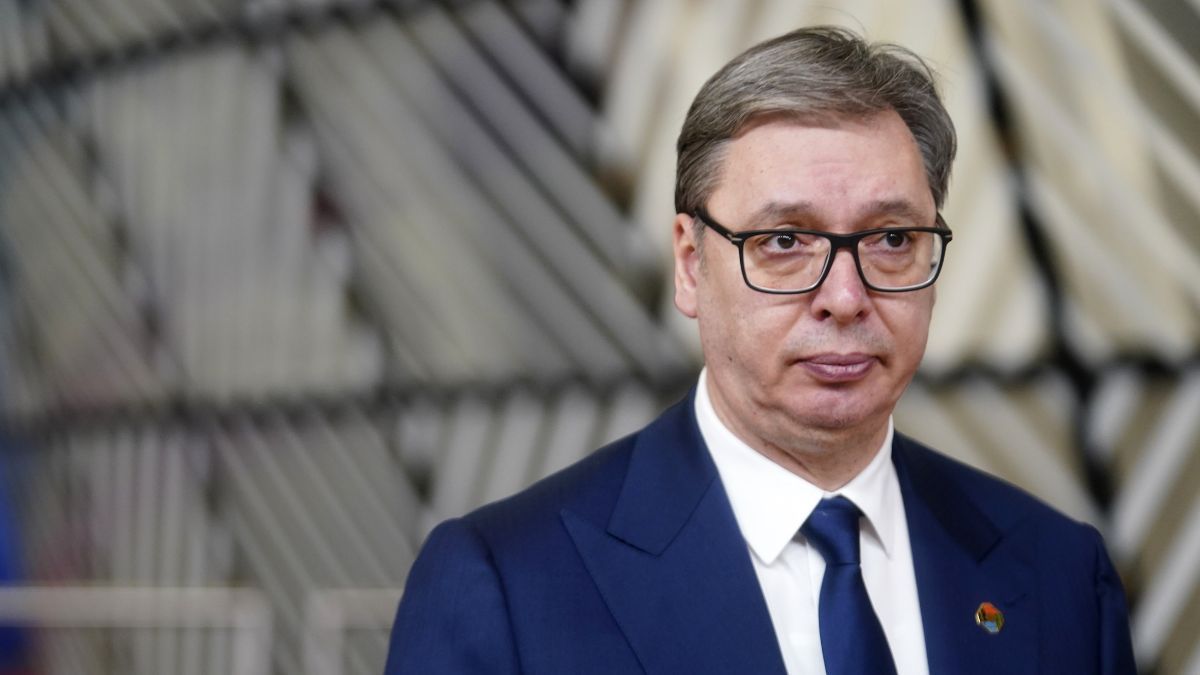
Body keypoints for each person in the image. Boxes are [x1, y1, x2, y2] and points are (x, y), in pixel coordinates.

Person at [384, 26, 1136, 675]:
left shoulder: (1059, 574)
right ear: (690, 265)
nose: (846, 296)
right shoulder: (507, 585)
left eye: (891, 238)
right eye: (783, 241)